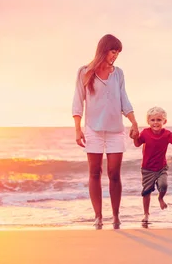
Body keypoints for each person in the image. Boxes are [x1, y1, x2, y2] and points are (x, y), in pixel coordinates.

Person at [72, 34, 139, 228]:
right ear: (104, 50)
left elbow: (124, 99)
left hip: (115, 130)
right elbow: (78, 101)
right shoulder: (84, 72)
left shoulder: (118, 73)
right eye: (113, 51)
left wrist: (133, 121)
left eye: (117, 53)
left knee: (114, 173)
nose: (115, 56)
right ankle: (98, 216)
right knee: (94, 172)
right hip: (93, 129)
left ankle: (116, 216)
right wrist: (78, 129)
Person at [130, 106, 172, 224]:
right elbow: (137, 144)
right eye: (153, 120)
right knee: (146, 191)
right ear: (148, 121)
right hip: (147, 168)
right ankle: (146, 213)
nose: (156, 122)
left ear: (164, 121)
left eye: (159, 120)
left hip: (161, 167)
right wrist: (135, 137)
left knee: (164, 185)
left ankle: (160, 198)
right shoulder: (145, 133)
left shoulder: (167, 134)